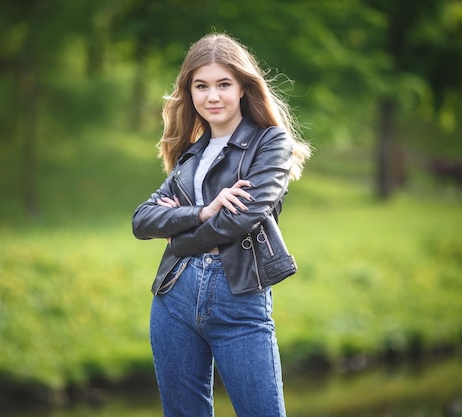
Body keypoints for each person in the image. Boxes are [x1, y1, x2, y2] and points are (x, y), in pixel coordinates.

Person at [132, 33, 311, 417]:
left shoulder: (271, 144)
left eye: (223, 84)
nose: (212, 96)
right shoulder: (190, 153)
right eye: (201, 86)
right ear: (190, 92)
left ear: (244, 88)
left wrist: (179, 238)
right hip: (174, 297)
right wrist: (202, 211)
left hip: (239, 298)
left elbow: (242, 218)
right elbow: (142, 220)